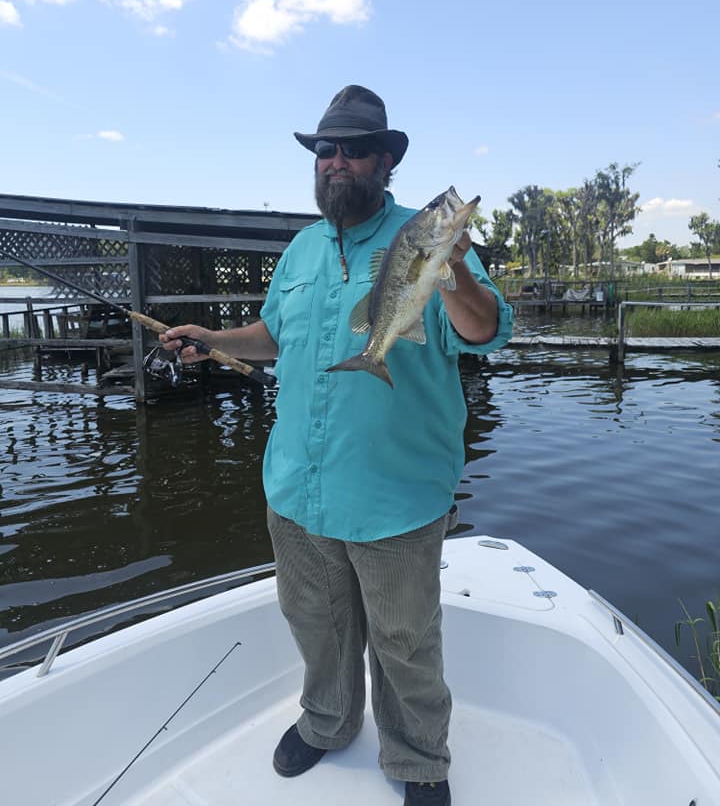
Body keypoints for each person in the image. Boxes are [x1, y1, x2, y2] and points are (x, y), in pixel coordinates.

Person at [161, 86, 513, 805]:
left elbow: (484, 330)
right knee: (315, 625)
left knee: (405, 641)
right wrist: (213, 340)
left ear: (385, 162)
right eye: (326, 150)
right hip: (297, 488)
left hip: (395, 494)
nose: (337, 162)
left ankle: (418, 758)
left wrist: (452, 275)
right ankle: (327, 722)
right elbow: (274, 335)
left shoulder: (425, 235)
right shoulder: (299, 249)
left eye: (354, 150)